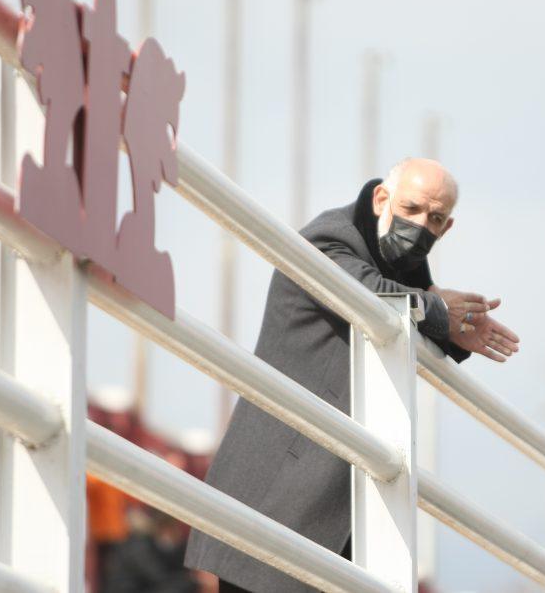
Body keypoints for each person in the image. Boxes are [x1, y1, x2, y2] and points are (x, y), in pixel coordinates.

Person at [184, 157, 521, 592]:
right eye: (412, 208)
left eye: (435, 218)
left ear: (447, 227)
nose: (421, 225)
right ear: (381, 198)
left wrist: (455, 325)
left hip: (338, 491)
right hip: (280, 484)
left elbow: (411, 308)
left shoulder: (405, 267)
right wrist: (439, 309)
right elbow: (371, 296)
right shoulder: (331, 237)